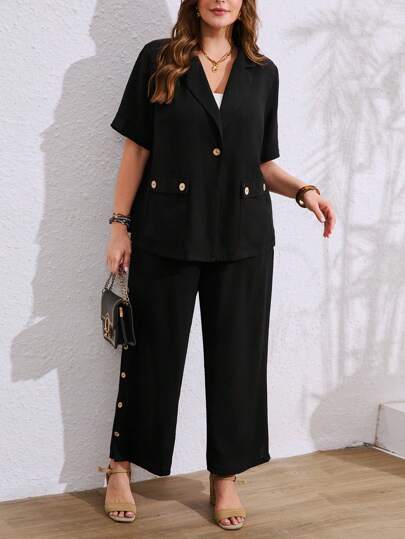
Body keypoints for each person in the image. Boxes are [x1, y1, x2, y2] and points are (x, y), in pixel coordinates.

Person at [98, 0, 336, 530]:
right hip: (168, 232)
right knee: (151, 354)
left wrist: (304, 191)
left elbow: (262, 163)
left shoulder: (263, 72)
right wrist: (119, 224)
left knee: (238, 362)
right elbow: (136, 150)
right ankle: (120, 467)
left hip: (243, 237)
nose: (221, 0)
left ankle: (225, 477)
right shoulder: (159, 58)